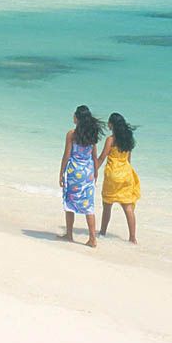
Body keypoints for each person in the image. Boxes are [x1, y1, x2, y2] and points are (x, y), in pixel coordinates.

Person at [59, 105, 105, 247]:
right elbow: (94, 155)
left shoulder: (71, 134)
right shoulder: (92, 134)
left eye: (74, 115)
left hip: (74, 172)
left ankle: (69, 234)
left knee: (69, 203)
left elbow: (67, 155)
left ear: (78, 118)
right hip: (88, 172)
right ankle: (92, 238)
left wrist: (61, 172)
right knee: (89, 206)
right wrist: (96, 171)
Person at [97, 112, 141, 244]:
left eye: (109, 123)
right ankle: (132, 238)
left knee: (107, 206)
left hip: (113, 175)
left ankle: (102, 233)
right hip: (126, 173)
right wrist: (128, 173)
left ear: (112, 124)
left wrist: (94, 170)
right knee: (128, 207)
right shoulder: (128, 138)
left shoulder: (111, 140)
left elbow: (103, 156)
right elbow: (128, 159)